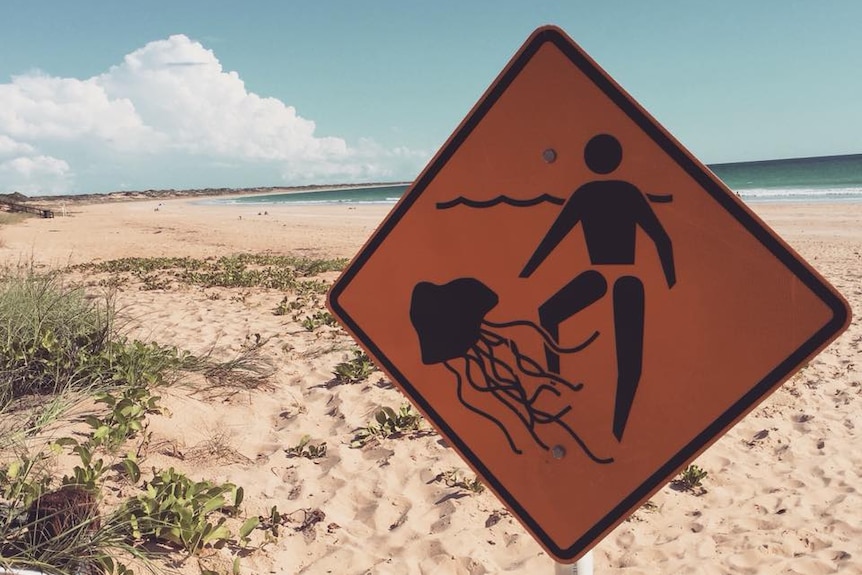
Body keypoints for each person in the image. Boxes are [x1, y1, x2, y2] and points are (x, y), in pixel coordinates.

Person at [520, 134, 675, 441]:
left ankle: (555, 380)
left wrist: (527, 272)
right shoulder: (629, 192)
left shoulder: (585, 193)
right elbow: (662, 240)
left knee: (548, 314)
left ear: (590, 161)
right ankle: (619, 428)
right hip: (629, 281)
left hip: (597, 278)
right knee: (629, 362)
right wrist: (670, 283)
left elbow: (552, 239)